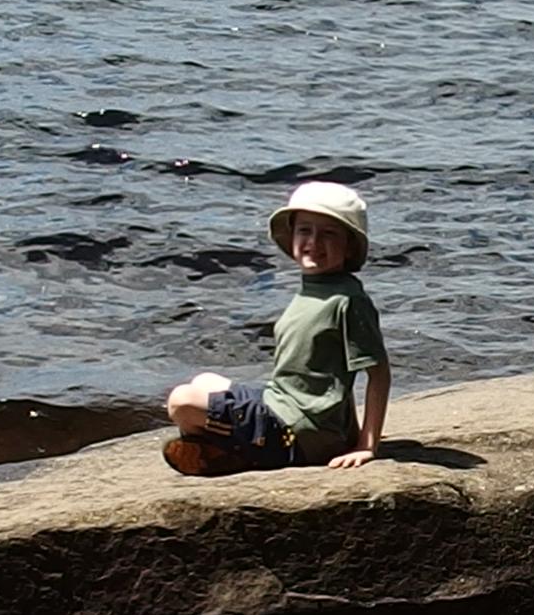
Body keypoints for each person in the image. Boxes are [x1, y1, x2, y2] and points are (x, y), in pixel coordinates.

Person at [163, 180, 389, 476]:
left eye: (329, 234)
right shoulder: (315, 289)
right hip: (280, 403)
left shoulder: (348, 300)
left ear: (349, 247)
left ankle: (235, 452)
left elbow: (378, 373)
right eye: (305, 230)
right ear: (292, 236)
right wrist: (347, 431)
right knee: (204, 380)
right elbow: (330, 378)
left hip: (297, 430)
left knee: (181, 402)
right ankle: (231, 449)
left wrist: (366, 444)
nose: (314, 242)